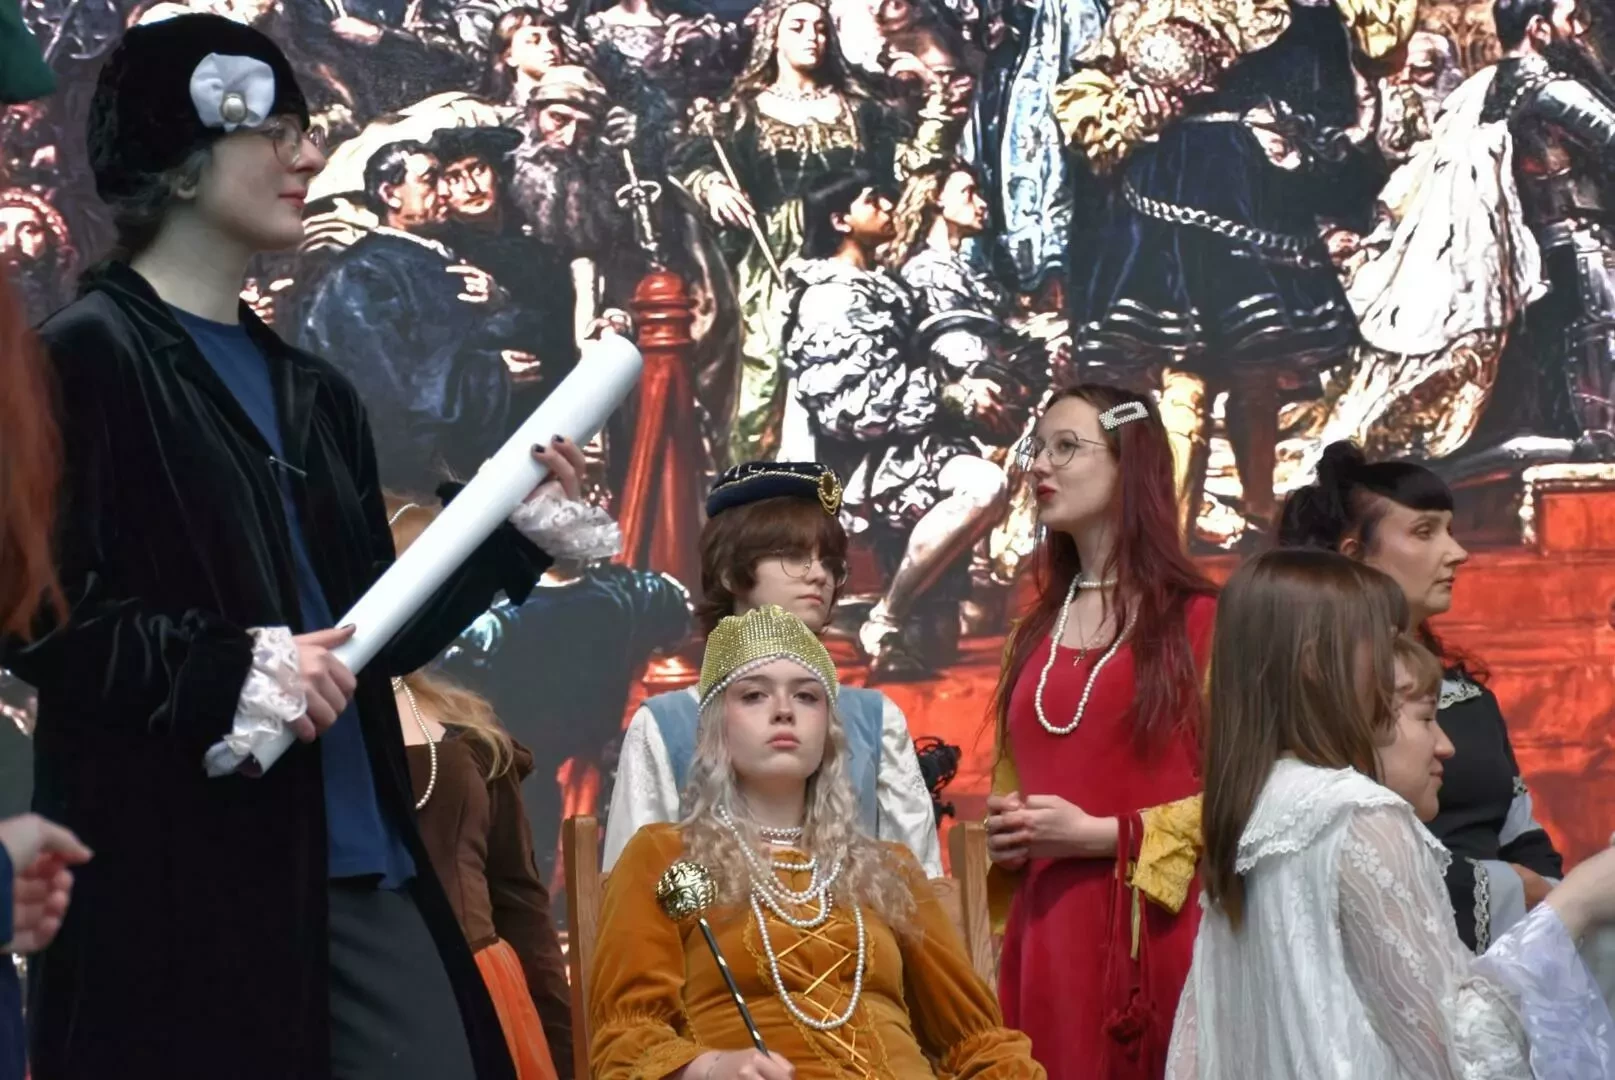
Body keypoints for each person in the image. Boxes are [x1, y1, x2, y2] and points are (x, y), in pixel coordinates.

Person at [1, 15, 604, 1078]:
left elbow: (366, 635)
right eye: (274, 132)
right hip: (181, 888)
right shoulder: (78, 360)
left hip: (361, 862)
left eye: (306, 130)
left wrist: (511, 540)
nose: (311, 156)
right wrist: (225, 668)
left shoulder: (314, 392)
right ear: (178, 160)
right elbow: (36, 613)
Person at [1169, 548, 1615, 1077]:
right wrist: (1574, 906)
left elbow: (1197, 1048)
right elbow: (1459, 1052)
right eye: (1380, 647)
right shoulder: (1357, 815)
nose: (1392, 668)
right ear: (1316, 665)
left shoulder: (1255, 811)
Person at [589, 604, 1045, 1079]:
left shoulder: (890, 868)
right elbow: (627, 1037)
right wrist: (709, 1068)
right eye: (754, 695)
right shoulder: (666, 856)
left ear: (828, 731)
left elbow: (977, 1041)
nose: (783, 710)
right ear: (717, 725)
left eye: (806, 696)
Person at [984, 385, 1217, 1078]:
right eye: (1037, 449)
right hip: (1045, 939)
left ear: (1129, 462)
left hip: (1160, 937)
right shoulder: (1029, 635)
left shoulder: (1205, 622)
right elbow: (1014, 786)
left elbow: (1255, 798)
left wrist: (1105, 836)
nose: (1039, 466)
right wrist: (1006, 835)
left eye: (1066, 447)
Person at [1278, 441, 1567, 952]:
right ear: (1354, 554)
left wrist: (1553, 906)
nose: (1457, 553)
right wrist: (1511, 889)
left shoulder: (1472, 699)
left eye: (1450, 530)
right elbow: (1340, 849)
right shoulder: (1317, 695)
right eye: (1424, 531)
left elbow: (1522, 835)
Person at [603, 461, 942, 876]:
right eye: (795, 556)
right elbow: (631, 888)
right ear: (730, 573)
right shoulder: (665, 724)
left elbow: (921, 886)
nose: (819, 575)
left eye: (830, 563)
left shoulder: (876, 720)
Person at [390, 498, 606, 1080]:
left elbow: (521, 904)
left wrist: (566, 1053)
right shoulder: (299, 728)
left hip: (482, 998)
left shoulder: (468, 735)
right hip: (366, 996)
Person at [783, 174, 1013, 678]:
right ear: (840, 221)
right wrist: (950, 398)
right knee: (985, 486)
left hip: (914, 444)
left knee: (938, 640)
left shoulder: (885, 284)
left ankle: (880, 614)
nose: (889, 206)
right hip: (866, 462)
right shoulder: (830, 298)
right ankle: (883, 618)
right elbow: (852, 408)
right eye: (872, 201)